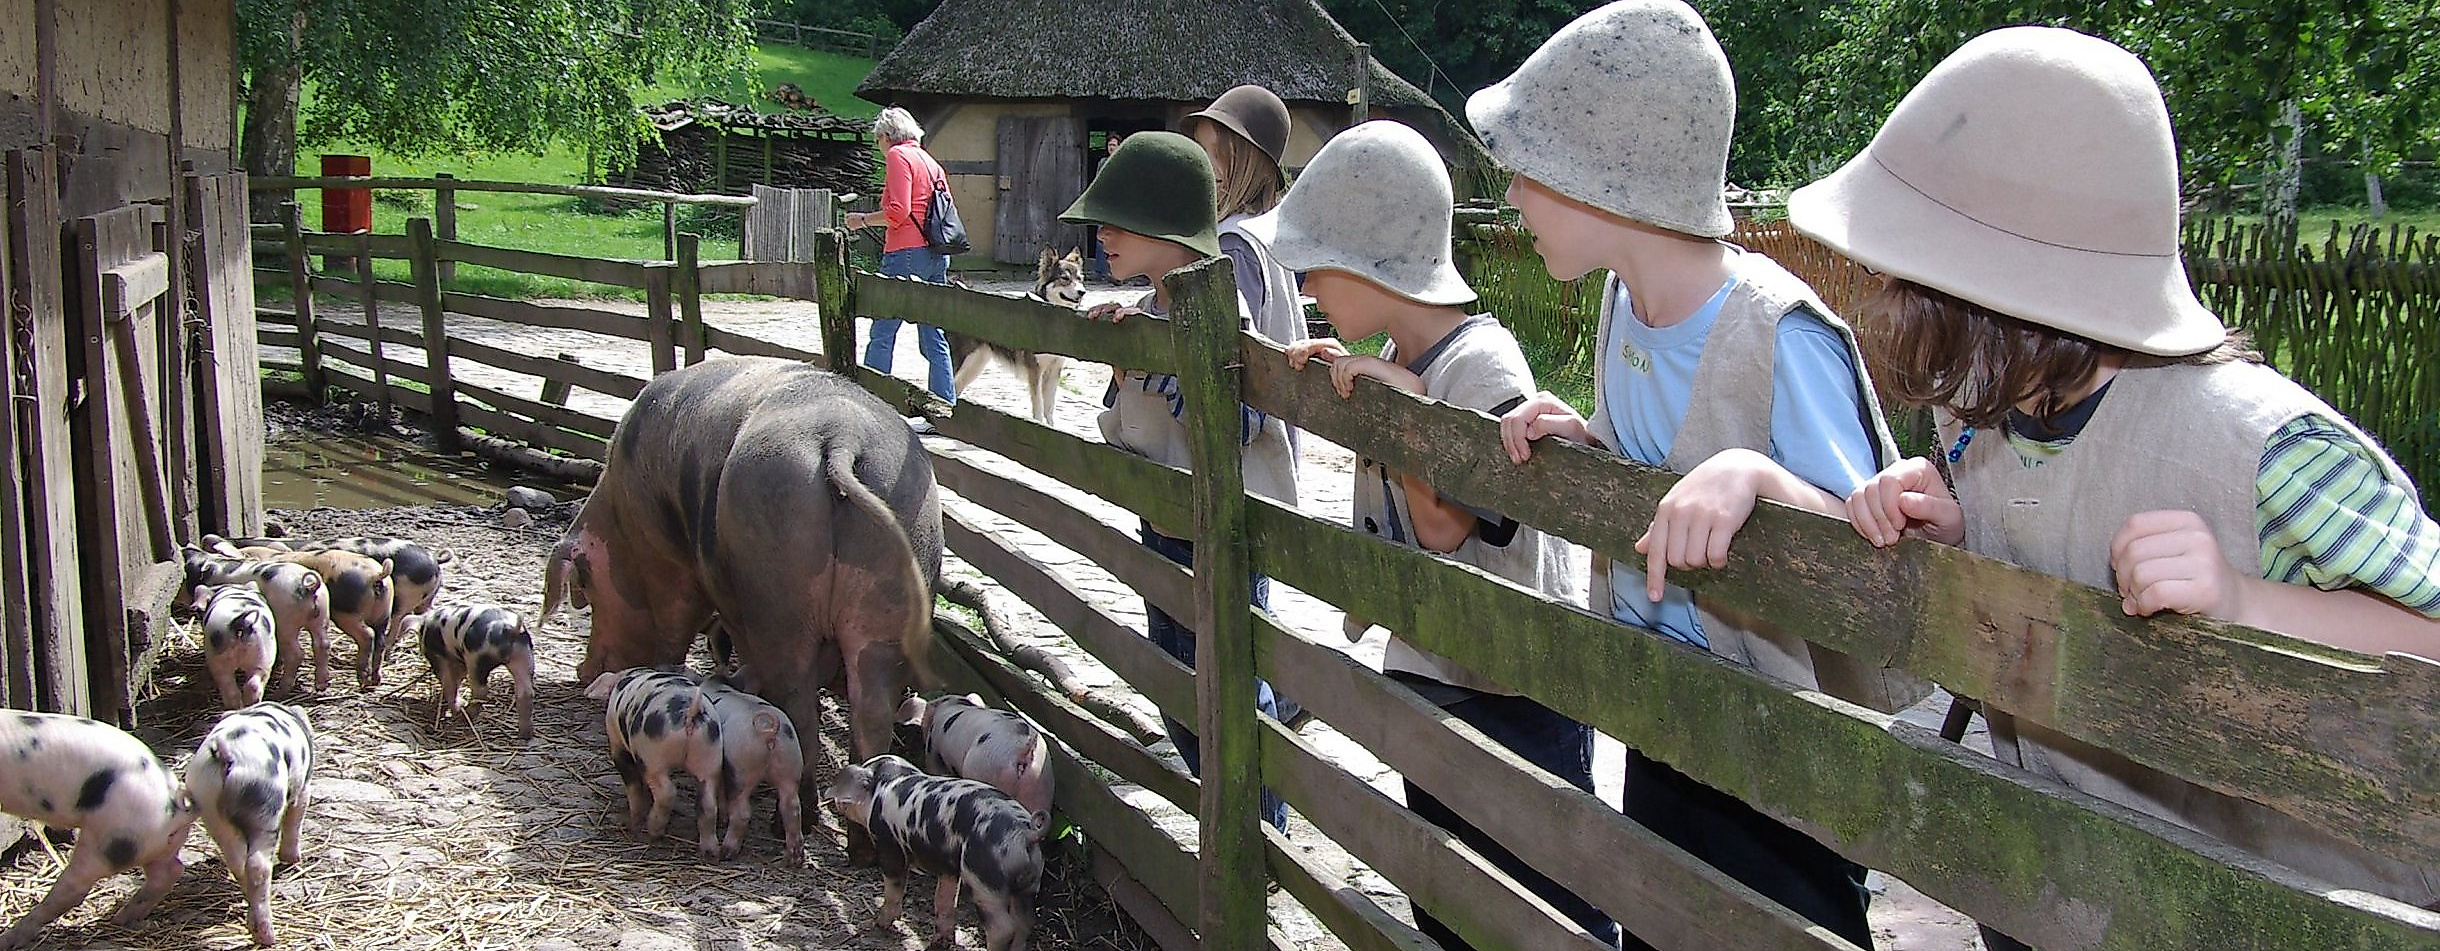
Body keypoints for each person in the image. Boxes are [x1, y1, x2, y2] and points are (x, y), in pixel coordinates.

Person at [1802, 26, 2440, 940]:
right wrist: (1956, 529)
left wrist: (2244, 600)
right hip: (2071, 882)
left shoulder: (2266, 451)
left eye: (1904, 272)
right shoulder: (1988, 412)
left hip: (2287, 912)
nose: (1877, 293)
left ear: (1994, 297)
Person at [1479, 2, 1901, 946]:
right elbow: (1663, 463)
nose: (1511, 197)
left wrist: (1758, 474)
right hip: (1661, 709)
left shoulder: (1777, 335)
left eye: (1526, 172)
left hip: (1776, 751)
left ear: (1605, 180)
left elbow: (1874, 555)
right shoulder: (1623, 304)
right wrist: (1589, 442)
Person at [1276, 119, 1619, 949]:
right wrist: (1357, 386)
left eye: (1319, 267)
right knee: (1447, 890)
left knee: (1545, 903)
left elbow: (1442, 528)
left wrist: (1406, 410)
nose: (1312, 288)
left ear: (1371, 260)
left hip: (1510, 687)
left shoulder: (1481, 366)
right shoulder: (1405, 350)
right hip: (1433, 668)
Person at [1056, 131, 1300, 831]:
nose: (1100, 235)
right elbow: (1128, 417)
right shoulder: (1152, 312)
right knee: (1175, 691)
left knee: (1226, 687)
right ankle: (1227, 813)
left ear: (1168, 225)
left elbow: (1231, 424)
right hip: (1162, 531)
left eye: (1117, 220)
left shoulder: (1219, 311)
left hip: (1216, 543)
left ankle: (1260, 832)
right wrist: (1125, 352)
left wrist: (1152, 359)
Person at [1181, 85, 1309, 359]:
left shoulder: (1233, 243)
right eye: (1202, 151)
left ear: (1250, 161)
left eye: (1219, 153)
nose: (1207, 165)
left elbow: (1225, 347)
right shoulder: (1265, 230)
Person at [848, 106, 957, 403]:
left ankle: (871, 401)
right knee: (933, 331)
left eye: (878, 141)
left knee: (884, 327)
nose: (880, 148)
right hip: (936, 251)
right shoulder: (929, 159)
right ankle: (944, 403)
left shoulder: (899, 156)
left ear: (886, 136)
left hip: (905, 251)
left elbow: (898, 212)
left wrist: (863, 220)